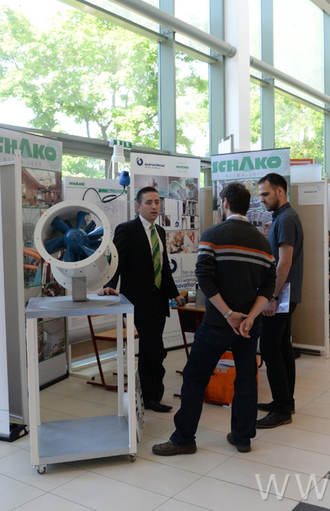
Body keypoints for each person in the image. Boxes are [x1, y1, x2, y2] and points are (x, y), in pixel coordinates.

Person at [152, 183, 276, 456]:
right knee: (246, 380)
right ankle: (243, 438)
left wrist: (229, 314)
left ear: (226, 203)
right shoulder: (263, 244)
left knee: (195, 377)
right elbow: (269, 287)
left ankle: (184, 438)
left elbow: (204, 278)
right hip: (248, 326)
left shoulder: (213, 235)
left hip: (218, 324)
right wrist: (249, 317)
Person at [99, 186, 186, 413]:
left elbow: (163, 268)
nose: (154, 206)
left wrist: (174, 293)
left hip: (159, 301)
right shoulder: (127, 230)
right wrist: (109, 285)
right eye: (148, 203)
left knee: (150, 350)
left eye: (157, 202)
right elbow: (116, 262)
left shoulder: (161, 232)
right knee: (155, 349)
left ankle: (149, 396)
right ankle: (152, 395)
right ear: (138, 206)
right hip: (138, 302)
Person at [256, 173, 304, 429]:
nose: (262, 199)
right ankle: (285, 401)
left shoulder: (285, 219)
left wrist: (271, 297)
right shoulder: (284, 217)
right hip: (286, 294)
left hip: (281, 296)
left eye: (265, 194)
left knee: (270, 348)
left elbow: (284, 263)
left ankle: (282, 409)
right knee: (283, 347)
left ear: (280, 191)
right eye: (260, 195)